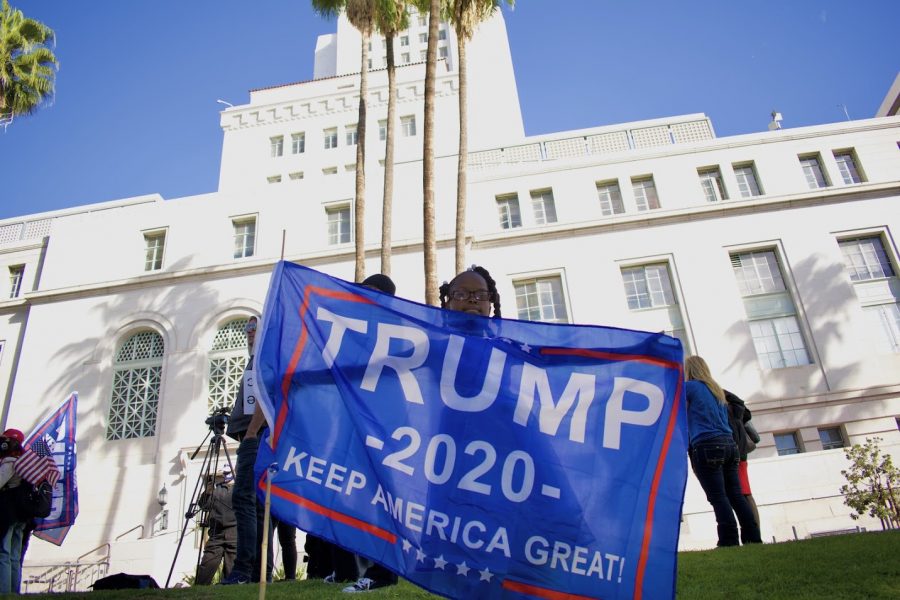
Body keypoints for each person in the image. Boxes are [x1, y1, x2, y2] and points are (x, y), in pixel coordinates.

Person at [341, 274, 401, 594]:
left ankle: (383, 574)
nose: (362, 297)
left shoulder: (397, 328)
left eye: (370, 292)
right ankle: (351, 568)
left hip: (388, 429)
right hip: (361, 425)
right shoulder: (356, 329)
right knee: (360, 498)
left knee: (384, 501)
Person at [684, 356, 761, 547]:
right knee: (735, 495)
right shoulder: (717, 390)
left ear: (689, 370)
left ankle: (729, 539)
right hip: (730, 446)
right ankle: (752, 537)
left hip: (706, 446)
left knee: (718, 497)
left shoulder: (691, 388)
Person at [220, 315, 274, 584]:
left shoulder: (263, 357)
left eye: (254, 328)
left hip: (257, 437)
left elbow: (266, 394)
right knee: (259, 504)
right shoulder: (256, 359)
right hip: (255, 436)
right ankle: (260, 571)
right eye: (247, 328)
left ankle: (244, 569)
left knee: (243, 497)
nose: (249, 332)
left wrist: (252, 432)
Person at [725, 390, 761, 530]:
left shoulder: (721, 399)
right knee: (743, 493)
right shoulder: (730, 399)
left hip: (735, 451)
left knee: (744, 494)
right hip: (739, 451)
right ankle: (753, 531)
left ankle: (754, 531)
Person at [195, 472, 237, 585]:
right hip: (216, 532)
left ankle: (230, 589)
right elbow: (204, 506)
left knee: (232, 567)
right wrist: (207, 493)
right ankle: (200, 587)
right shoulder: (217, 488)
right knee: (208, 563)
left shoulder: (239, 486)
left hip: (234, 531)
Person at [0, 428, 26, 594]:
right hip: (22, 514)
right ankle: (13, 591)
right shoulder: (24, 461)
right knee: (15, 556)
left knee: (4, 553)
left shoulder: (10, 462)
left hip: (9, 513)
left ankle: (4, 591)